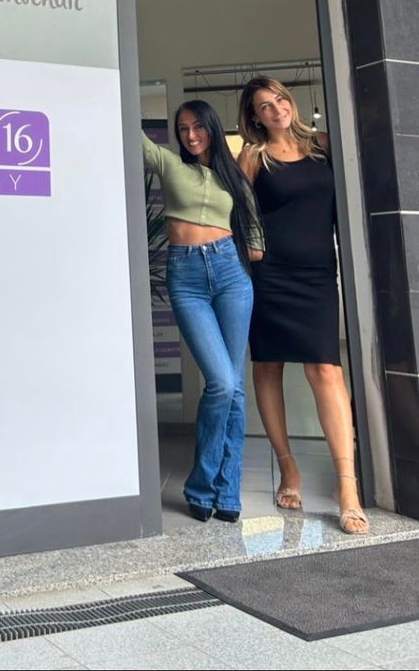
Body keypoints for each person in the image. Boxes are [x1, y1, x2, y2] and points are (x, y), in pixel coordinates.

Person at [236, 76, 369, 535]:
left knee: (325, 370)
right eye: (264, 105)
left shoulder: (323, 145)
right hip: (270, 276)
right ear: (254, 116)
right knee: (268, 366)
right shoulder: (253, 157)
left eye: (280, 99)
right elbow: (238, 215)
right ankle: (287, 468)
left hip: (317, 275)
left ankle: (347, 487)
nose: (277, 109)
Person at [143, 100, 264, 523]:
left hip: (231, 274)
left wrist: (252, 247)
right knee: (221, 382)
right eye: (183, 129)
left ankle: (227, 492)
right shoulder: (170, 165)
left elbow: (252, 224)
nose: (191, 135)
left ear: (211, 127)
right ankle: (201, 483)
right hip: (187, 276)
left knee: (234, 387)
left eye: (198, 127)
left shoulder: (233, 175)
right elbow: (133, 138)